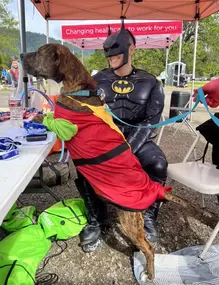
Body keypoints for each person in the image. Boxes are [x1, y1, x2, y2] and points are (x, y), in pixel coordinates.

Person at [75, 22, 167, 252]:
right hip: (106, 139)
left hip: (137, 140)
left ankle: (148, 217)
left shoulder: (151, 82)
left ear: (132, 49)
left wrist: (126, 150)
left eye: (117, 50)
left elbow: (151, 121)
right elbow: (86, 114)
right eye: (108, 51)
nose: (111, 56)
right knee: (83, 163)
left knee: (157, 163)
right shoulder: (96, 80)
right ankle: (97, 218)